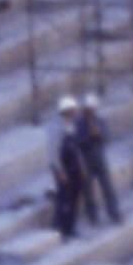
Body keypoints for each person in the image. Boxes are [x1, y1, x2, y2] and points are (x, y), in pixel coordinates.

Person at [69, 96, 124, 229]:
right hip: (86, 158)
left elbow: (106, 137)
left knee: (107, 186)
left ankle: (114, 212)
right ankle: (93, 215)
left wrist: (98, 134)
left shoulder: (100, 121)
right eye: (87, 109)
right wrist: (89, 136)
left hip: (99, 157)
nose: (89, 112)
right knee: (88, 190)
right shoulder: (78, 124)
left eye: (91, 109)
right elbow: (77, 141)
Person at [47, 99, 89, 240]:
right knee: (63, 199)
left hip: (74, 166)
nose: (75, 112)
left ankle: (70, 228)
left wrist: (82, 166)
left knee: (74, 198)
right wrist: (60, 171)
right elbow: (53, 153)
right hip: (63, 168)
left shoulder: (71, 126)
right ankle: (59, 228)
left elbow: (76, 149)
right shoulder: (56, 128)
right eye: (73, 110)